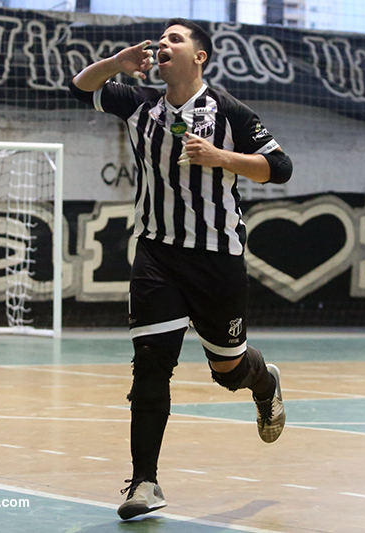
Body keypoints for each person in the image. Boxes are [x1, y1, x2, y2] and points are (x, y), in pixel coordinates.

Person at [68, 18, 292, 520]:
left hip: (217, 258)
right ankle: (143, 482)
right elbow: (80, 88)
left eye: (175, 39)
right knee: (151, 362)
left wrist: (222, 158)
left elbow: (280, 167)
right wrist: (116, 66)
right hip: (157, 254)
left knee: (228, 372)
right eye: (161, 38)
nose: (163, 44)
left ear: (200, 57)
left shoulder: (229, 112)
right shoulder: (138, 102)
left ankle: (264, 382)